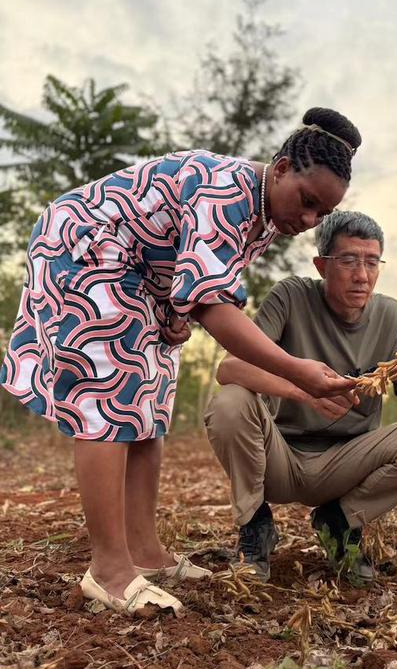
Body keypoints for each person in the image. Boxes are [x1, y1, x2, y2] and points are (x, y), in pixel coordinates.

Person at [0, 107, 361, 614]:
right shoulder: (227, 190)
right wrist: (296, 368)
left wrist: (177, 315)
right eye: (306, 202)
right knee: (108, 400)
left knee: (147, 408)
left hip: (139, 271)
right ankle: (108, 570)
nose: (307, 221)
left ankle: (145, 553)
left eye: (321, 214)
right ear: (280, 168)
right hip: (88, 246)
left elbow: (193, 275)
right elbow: (216, 306)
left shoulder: (263, 217)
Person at [204, 210, 397, 582]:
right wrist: (302, 391)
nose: (362, 275)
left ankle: (339, 522)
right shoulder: (291, 296)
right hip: (280, 458)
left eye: (372, 262)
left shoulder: (394, 316)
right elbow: (230, 369)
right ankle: (254, 526)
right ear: (322, 266)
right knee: (230, 402)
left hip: (348, 465)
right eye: (349, 260)